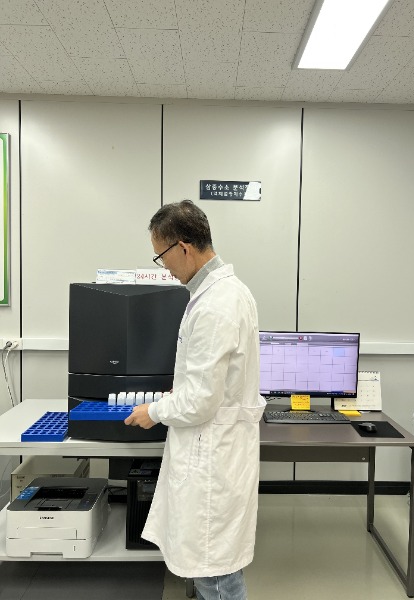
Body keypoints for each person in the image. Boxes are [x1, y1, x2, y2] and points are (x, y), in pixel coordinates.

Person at [124, 199, 266, 600]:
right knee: (214, 568)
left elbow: (201, 401)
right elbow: (211, 381)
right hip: (218, 449)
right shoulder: (223, 293)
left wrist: (154, 411)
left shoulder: (217, 304)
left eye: (161, 256)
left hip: (213, 459)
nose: (163, 267)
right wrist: (181, 390)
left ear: (183, 247)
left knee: (216, 574)